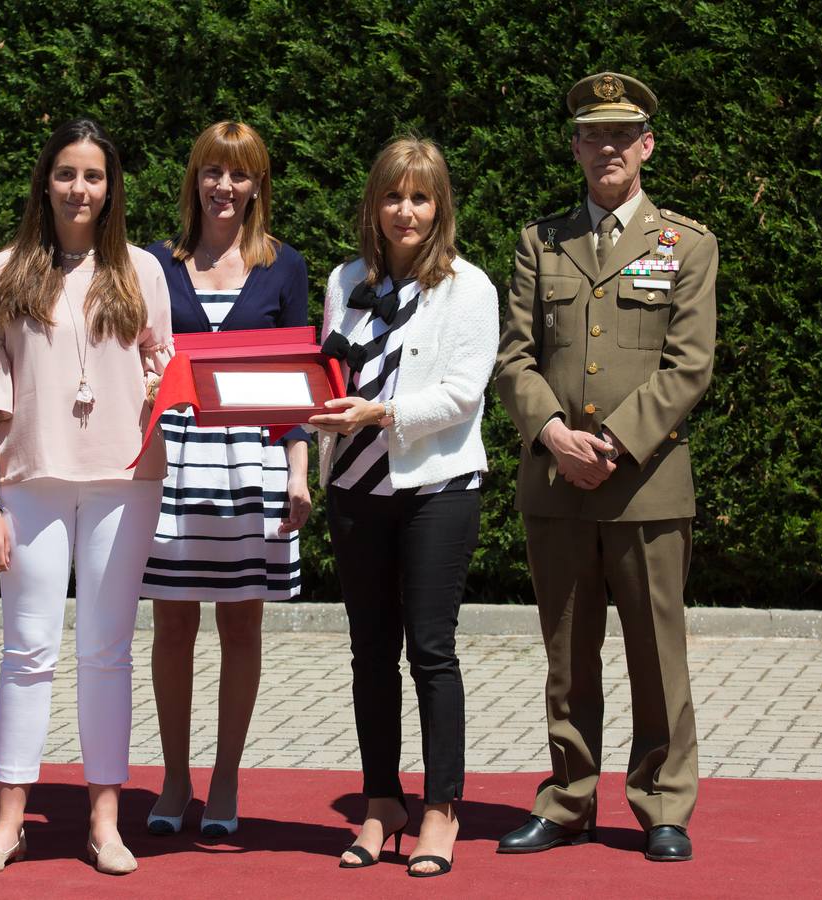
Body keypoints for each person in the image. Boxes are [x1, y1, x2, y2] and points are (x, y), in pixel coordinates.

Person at [492, 71, 718, 863]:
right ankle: (567, 799)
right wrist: (551, 433)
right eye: (593, 134)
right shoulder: (538, 242)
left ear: (646, 146)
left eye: (623, 134)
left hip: (645, 485)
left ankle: (662, 804)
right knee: (566, 652)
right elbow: (514, 357)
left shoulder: (684, 245)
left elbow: (688, 366)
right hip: (556, 483)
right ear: (577, 147)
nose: (608, 147)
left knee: (656, 653)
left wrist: (614, 444)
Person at [0, 118, 172, 877]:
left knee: (106, 652)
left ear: (112, 191)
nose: (80, 188)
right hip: (29, 482)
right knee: (26, 650)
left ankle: (105, 820)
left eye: (94, 176)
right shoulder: (4, 271)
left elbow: (166, 379)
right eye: (67, 173)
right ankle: (9, 821)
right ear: (45, 181)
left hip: (123, 483)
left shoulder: (142, 270)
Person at [309, 137, 498, 877]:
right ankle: (381, 799)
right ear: (374, 204)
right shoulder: (344, 278)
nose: (405, 210)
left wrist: (380, 414)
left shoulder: (469, 288)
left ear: (439, 206)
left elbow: (461, 394)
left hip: (436, 488)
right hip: (355, 489)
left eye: (419, 197)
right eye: (393, 196)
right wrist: (317, 410)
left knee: (430, 650)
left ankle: (441, 808)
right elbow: (324, 371)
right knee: (368, 654)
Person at [140, 121, 312, 839]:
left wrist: (300, 475)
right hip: (173, 465)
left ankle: (226, 776)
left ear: (257, 185)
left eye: (239, 174)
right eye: (212, 171)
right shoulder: (152, 262)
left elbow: (302, 379)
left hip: (252, 465)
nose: (224, 186)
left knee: (241, 623)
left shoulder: (284, 265)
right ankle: (174, 776)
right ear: (194, 179)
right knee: (172, 622)